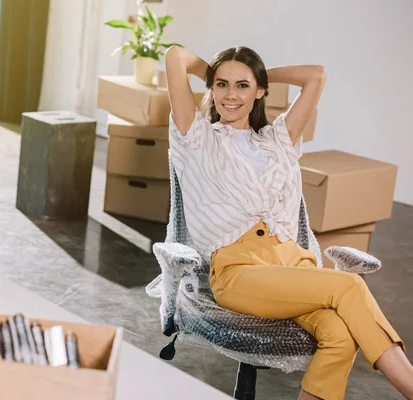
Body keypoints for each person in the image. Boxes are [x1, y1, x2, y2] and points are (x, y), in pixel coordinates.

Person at [165, 45, 412, 400]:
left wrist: (261, 74)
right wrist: (217, 69)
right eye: (221, 85)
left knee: (340, 337)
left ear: (260, 91)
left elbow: (316, 75)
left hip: (292, 262)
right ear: (211, 88)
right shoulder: (196, 137)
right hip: (238, 268)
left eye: (242, 86)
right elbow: (176, 56)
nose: (231, 95)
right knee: (349, 287)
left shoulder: (277, 139)